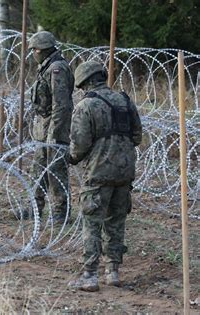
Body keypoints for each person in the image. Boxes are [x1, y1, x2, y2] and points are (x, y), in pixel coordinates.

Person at [67, 61, 142, 291]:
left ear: (85, 82)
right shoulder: (126, 101)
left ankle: (90, 275)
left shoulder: (86, 106)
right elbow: (137, 137)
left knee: (92, 222)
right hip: (125, 172)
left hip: (99, 172)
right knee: (116, 222)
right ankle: (113, 271)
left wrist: (70, 158)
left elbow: (79, 145)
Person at [27, 31, 74, 223]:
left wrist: (54, 135)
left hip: (54, 129)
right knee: (38, 170)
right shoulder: (46, 67)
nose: (33, 53)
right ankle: (34, 209)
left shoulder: (57, 69)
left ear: (42, 50)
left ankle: (60, 213)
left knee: (56, 172)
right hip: (43, 128)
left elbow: (61, 105)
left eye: (34, 50)